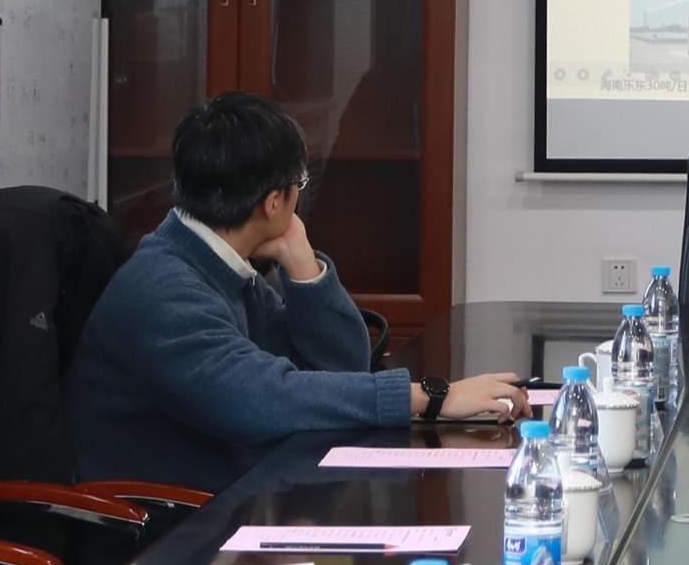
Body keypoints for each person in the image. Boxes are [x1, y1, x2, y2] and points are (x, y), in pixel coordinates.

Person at [67, 93, 530, 489]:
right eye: (298, 185)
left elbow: (343, 365)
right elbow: (260, 398)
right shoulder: (163, 290)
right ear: (274, 202)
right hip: (162, 538)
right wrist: (431, 397)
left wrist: (303, 263)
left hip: (229, 503)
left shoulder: (221, 263)